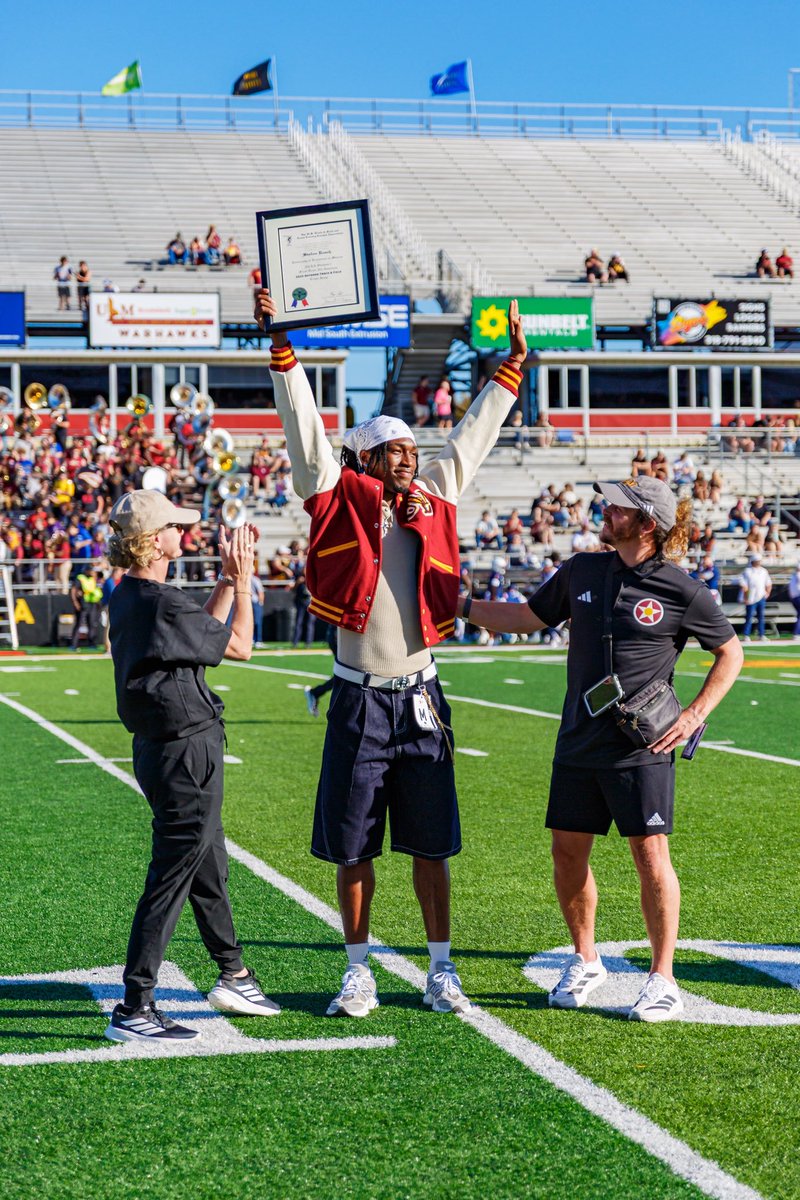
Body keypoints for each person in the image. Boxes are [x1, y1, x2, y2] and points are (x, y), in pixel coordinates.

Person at [255, 287, 528, 1019]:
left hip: (422, 697)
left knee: (432, 845)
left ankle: (441, 969)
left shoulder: (434, 497)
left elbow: (470, 438)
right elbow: (302, 426)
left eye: (412, 446)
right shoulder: (333, 491)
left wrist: (505, 376)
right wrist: (282, 348)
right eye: (394, 449)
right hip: (356, 696)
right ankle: (357, 969)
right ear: (365, 456)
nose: (410, 457)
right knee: (354, 847)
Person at [459, 475, 743, 1022]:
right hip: (577, 741)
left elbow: (729, 653)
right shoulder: (583, 569)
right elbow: (526, 618)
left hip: (643, 744)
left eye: (616, 508)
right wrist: (461, 604)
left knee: (650, 857)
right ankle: (586, 958)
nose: (604, 511)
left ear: (646, 523)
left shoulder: (682, 588)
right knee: (567, 853)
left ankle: (663, 978)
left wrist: (693, 716)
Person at [105, 490, 280, 1042]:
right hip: (185, 751)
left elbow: (201, 633)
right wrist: (243, 578)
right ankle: (136, 1004)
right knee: (174, 875)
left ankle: (234, 972)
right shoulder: (159, 600)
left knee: (208, 867)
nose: (185, 532)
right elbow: (243, 646)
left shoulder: (133, 594)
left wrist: (227, 583)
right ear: (154, 540)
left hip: (162, 749)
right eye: (176, 526)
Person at [740, 553, 772, 642]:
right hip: (751, 597)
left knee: (761, 616)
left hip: (761, 596)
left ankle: (761, 634)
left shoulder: (764, 571)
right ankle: (746, 634)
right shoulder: (747, 571)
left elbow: (768, 583)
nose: (758, 562)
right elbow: (744, 585)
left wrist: (767, 593)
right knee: (749, 616)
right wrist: (746, 597)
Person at [788, 561, 800, 641]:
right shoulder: (797, 575)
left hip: (794, 598)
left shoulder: (793, 576)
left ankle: (796, 633)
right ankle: (796, 633)